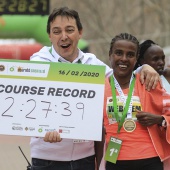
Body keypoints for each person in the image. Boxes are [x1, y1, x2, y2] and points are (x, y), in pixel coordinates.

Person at [30, 7, 160, 170]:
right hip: (47, 159)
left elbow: (119, 76)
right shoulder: (38, 65)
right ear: (49, 35)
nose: (64, 36)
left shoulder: (92, 64)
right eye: (57, 31)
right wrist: (42, 129)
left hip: (85, 158)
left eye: (70, 30)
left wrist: (144, 68)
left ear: (80, 33)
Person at [103, 33, 170, 170]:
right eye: (118, 53)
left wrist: (159, 119)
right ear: (110, 55)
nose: (124, 59)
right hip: (114, 160)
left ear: (136, 59)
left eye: (130, 55)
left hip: (149, 160)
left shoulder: (149, 82)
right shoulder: (100, 87)